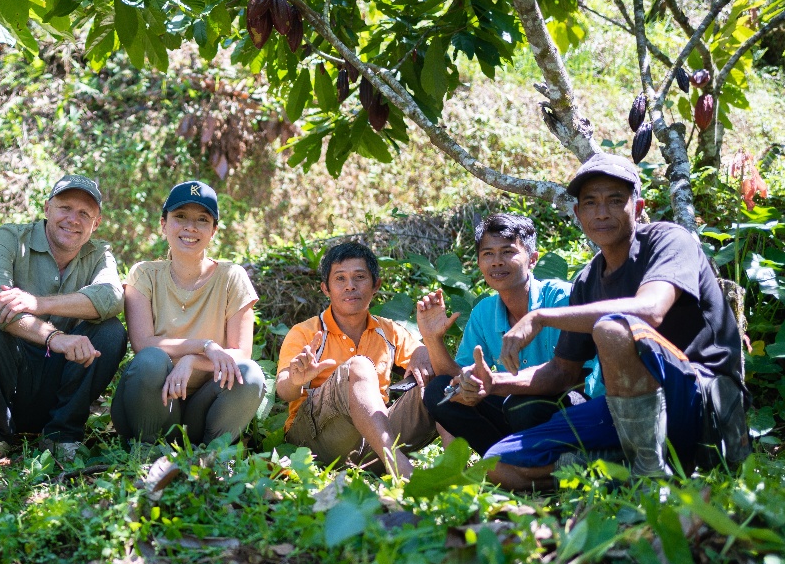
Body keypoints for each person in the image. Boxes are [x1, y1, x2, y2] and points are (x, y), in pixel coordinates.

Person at [466, 154, 747, 489]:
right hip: (629, 409)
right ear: (578, 213)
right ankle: (627, 467)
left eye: (615, 201)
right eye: (591, 203)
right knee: (497, 464)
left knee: (612, 328)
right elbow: (561, 372)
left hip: (700, 397)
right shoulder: (588, 279)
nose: (601, 213)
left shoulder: (668, 240)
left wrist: (540, 316)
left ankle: (651, 475)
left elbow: (651, 309)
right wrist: (492, 384)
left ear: (638, 207)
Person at [0, 174, 126, 461]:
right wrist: (55, 337)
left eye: (84, 214)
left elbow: (112, 297)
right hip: (12, 369)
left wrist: (38, 303)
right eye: (65, 208)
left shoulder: (99, 253)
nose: (73, 219)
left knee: (111, 331)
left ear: (96, 223)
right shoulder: (11, 238)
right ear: (47, 209)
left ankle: (62, 436)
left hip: (61, 376)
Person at [416, 213, 602, 456]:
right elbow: (458, 379)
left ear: (532, 259)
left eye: (507, 252)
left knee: (522, 407)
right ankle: (503, 462)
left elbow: (573, 377)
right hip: (515, 406)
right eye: (488, 254)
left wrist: (495, 385)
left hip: (577, 409)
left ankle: (555, 463)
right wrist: (432, 338)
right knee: (440, 391)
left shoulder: (562, 298)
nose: (496, 262)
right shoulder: (483, 312)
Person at [111, 181, 266, 446]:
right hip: (151, 403)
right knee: (151, 359)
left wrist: (192, 361)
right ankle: (147, 450)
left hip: (202, 410)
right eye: (180, 217)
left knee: (250, 374)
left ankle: (213, 454)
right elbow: (142, 343)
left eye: (202, 220)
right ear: (163, 224)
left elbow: (241, 355)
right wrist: (203, 346)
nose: (190, 227)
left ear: (214, 230)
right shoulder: (144, 274)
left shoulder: (231, 277)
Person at [276, 242, 437, 478]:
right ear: (326, 289)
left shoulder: (389, 331)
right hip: (317, 443)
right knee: (359, 365)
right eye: (340, 279)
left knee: (440, 379)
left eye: (359, 277)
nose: (350, 286)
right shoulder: (305, 333)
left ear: (376, 285)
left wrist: (426, 347)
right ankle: (399, 467)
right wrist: (296, 380)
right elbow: (284, 391)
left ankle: (456, 465)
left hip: (373, 442)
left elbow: (424, 358)